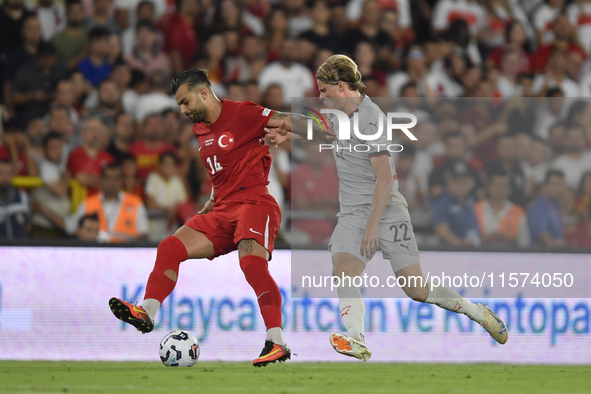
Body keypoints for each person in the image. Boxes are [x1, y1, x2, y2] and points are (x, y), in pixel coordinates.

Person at [266, 54, 508, 362]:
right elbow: (317, 127)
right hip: (353, 212)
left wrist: (372, 226)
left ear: (341, 86)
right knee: (343, 269)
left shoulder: (371, 119)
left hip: (387, 210)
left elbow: (383, 178)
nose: (320, 96)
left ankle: (476, 312)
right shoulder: (340, 115)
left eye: (324, 90)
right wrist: (286, 129)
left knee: (416, 289)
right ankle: (356, 339)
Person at [108, 69, 329, 367]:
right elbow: (224, 168)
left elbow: (289, 120)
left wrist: (329, 128)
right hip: (222, 209)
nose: (183, 110)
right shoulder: (200, 129)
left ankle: (276, 342)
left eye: (185, 102)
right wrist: (212, 198)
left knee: (251, 263)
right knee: (169, 248)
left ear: (203, 92)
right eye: (179, 105)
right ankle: (146, 312)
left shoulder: (244, 113)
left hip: (254, 202)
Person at [36, 163, 148, 242]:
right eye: (108, 178)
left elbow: (143, 235)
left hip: (125, 256)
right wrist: (43, 209)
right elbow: (70, 226)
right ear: (101, 180)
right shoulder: (89, 203)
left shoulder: (135, 202)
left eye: (116, 178)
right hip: (96, 256)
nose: (111, 182)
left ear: (121, 181)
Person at [475, 171, 530, 248]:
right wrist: (487, 239)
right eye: (495, 185)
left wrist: (508, 239)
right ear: (488, 187)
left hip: (510, 256)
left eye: (502, 186)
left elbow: (524, 242)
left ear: (509, 190)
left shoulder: (518, 212)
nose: (498, 189)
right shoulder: (476, 208)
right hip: (480, 255)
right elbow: (469, 238)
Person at [528, 169, 567, 247]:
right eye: (555, 184)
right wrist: (552, 243)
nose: (559, 188)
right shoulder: (539, 205)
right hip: (543, 254)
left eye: (561, 184)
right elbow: (539, 231)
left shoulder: (556, 204)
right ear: (546, 186)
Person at [0, 159, 30, 239]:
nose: (5, 177)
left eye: (8, 173)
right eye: (1, 173)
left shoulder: (22, 196)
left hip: (18, 249)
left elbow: (28, 224)